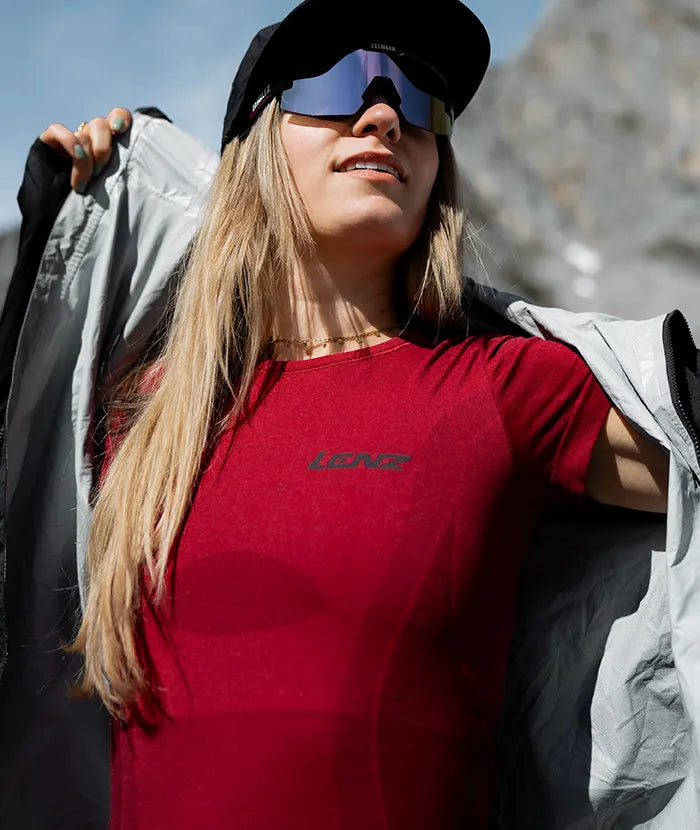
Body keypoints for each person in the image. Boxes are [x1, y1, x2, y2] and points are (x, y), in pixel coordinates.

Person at [7, 0, 682, 828]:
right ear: (256, 142)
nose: (384, 114)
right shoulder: (139, 416)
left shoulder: (506, 389)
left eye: (421, 97)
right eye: (338, 83)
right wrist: (79, 240)